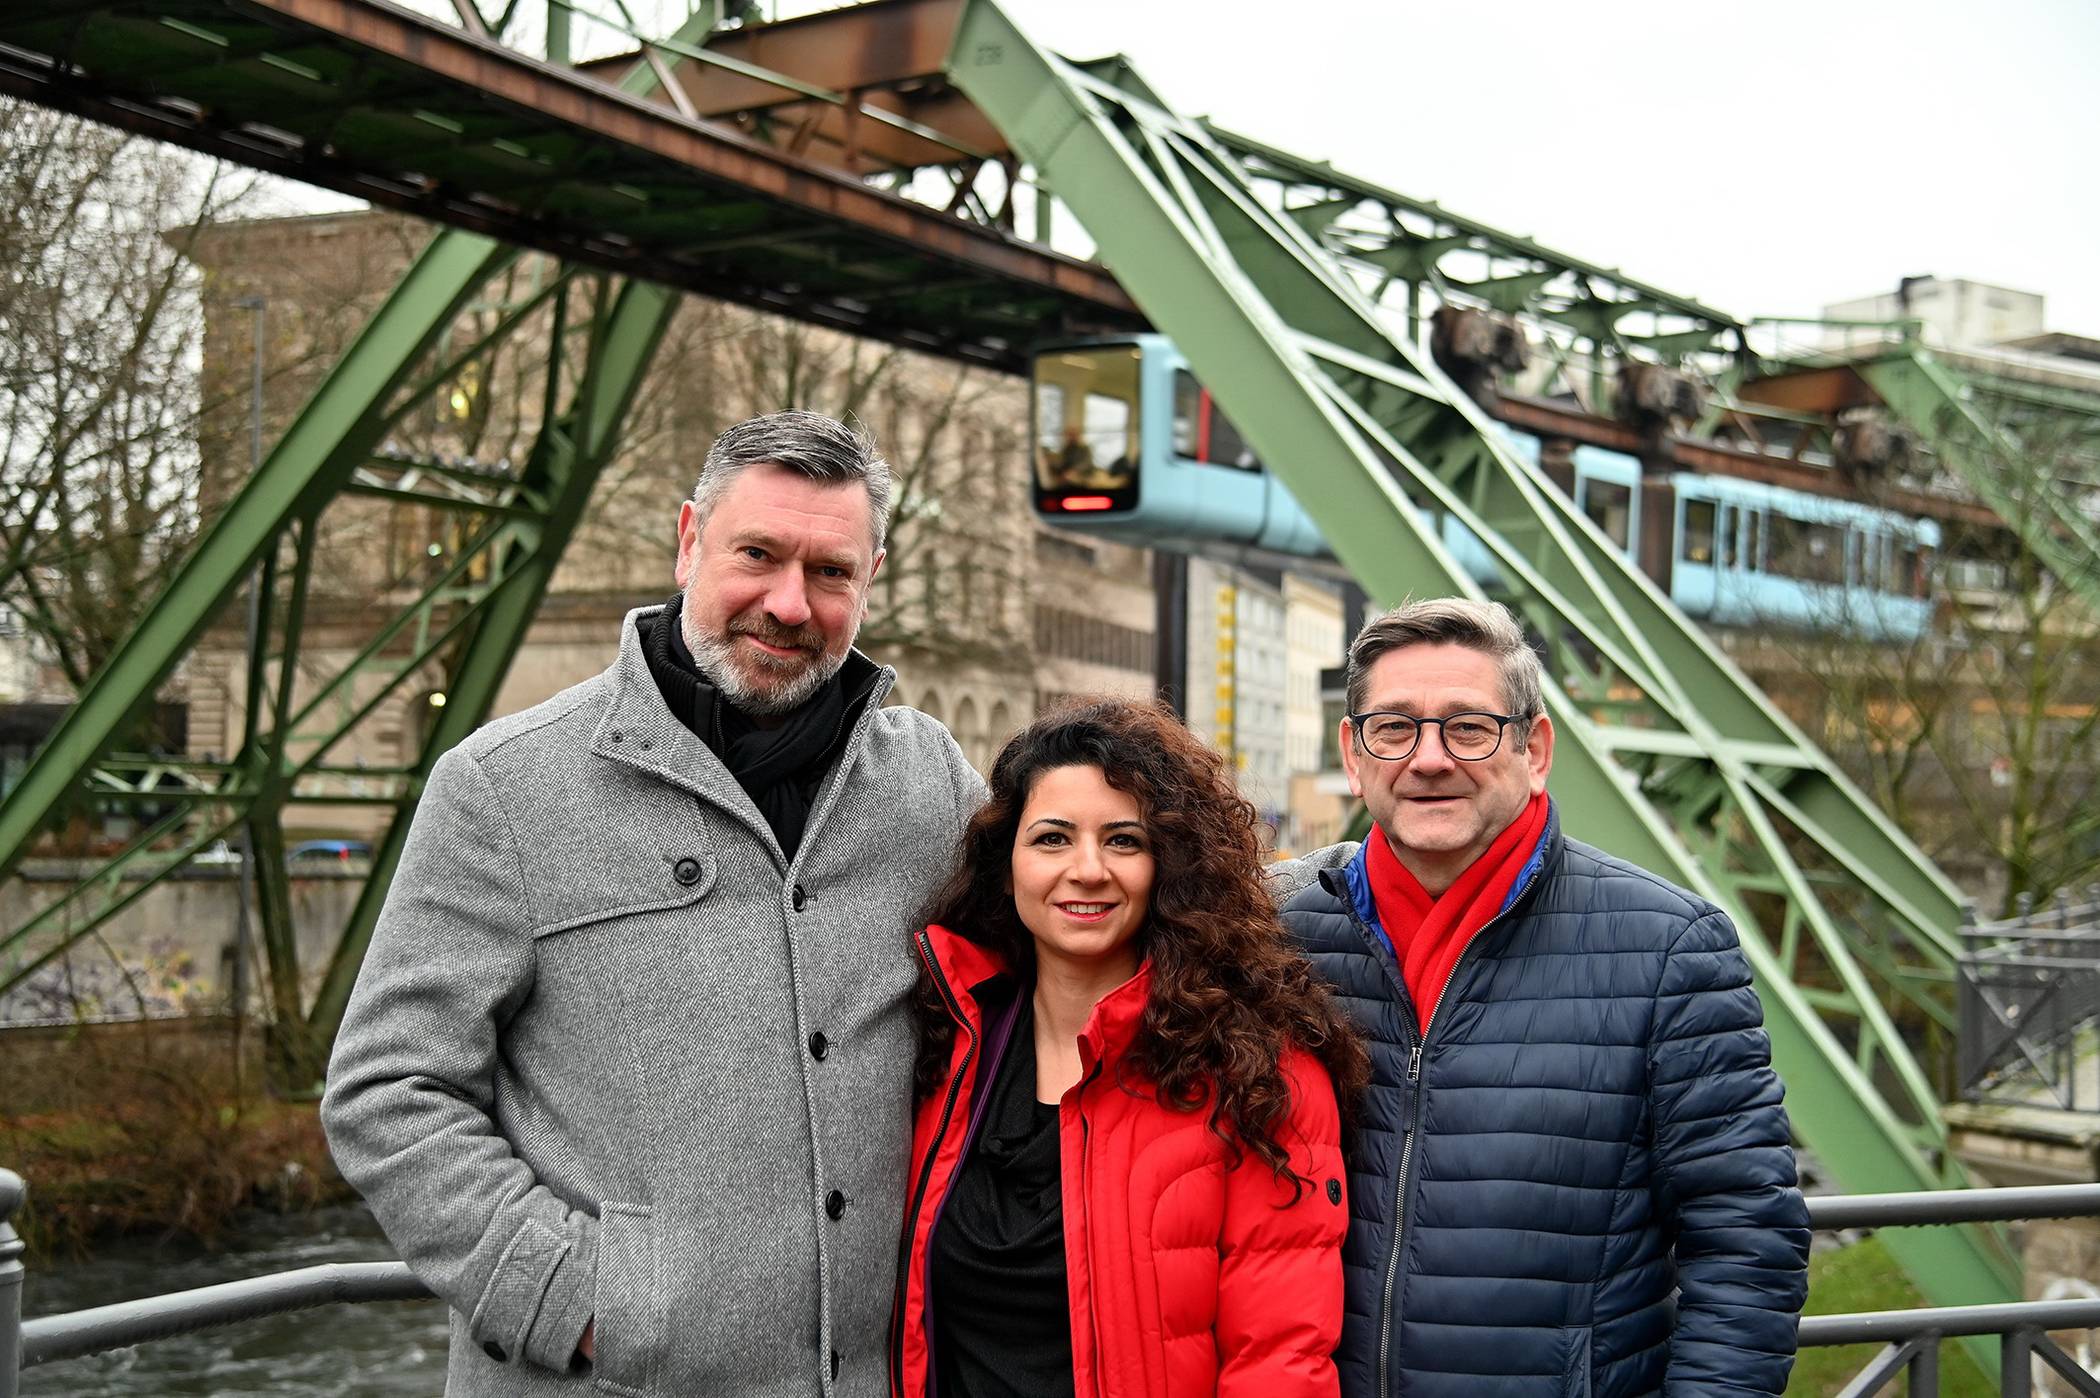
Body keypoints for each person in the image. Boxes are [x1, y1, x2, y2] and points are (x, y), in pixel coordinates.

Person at [321, 411, 987, 1397]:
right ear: (688, 541)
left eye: (830, 572)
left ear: (871, 580)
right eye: (757, 554)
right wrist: (580, 1303)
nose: (789, 603)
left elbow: (1071, 964)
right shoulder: (505, 787)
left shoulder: (928, 786)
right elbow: (386, 1092)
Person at [1269, 598, 1810, 1398]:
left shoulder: (1668, 948)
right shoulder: (1282, 941)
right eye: (1394, 728)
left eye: (1469, 728)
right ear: (1354, 754)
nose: (1428, 759)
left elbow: (1747, 1241)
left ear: (1536, 749)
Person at [893, 700, 1368, 1398]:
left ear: (1170, 864)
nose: (1087, 869)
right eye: (1052, 839)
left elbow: (1279, 1365)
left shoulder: (1260, 1073)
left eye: (1123, 841)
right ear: (1007, 863)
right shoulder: (952, 1042)